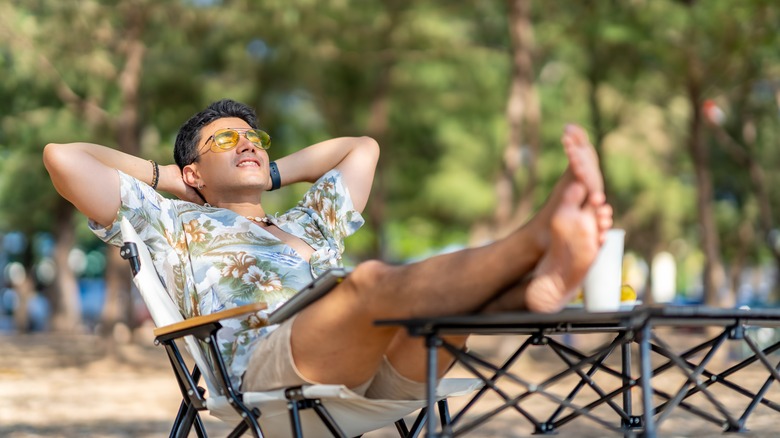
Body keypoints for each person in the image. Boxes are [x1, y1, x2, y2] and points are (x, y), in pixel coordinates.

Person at [44, 99, 613, 400]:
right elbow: (62, 157)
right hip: (267, 370)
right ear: (193, 171)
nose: (246, 143)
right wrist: (169, 178)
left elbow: (361, 148)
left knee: (428, 312)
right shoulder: (169, 220)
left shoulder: (309, 225)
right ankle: (538, 241)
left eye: (254, 139)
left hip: (381, 370)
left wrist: (267, 172)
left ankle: (535, 283)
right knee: (366, 283)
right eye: (226, 139)